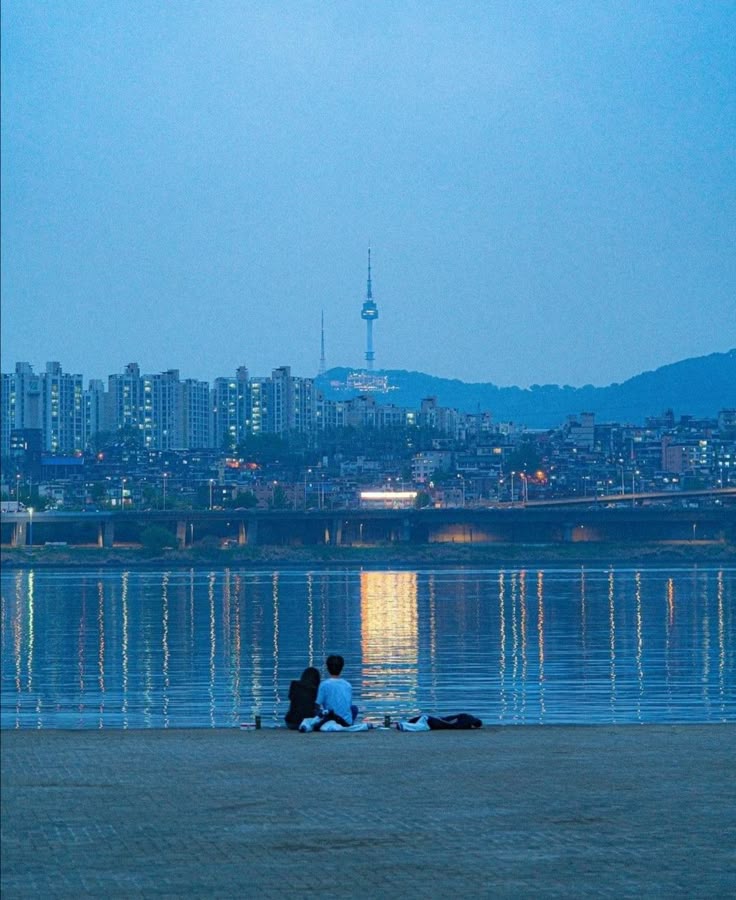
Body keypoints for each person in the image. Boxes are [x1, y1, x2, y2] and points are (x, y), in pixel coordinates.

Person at [315, 654, 358, 727]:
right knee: (354, 708)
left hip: (331, 720)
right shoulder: (348, 685)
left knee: (317, 711)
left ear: (327, 668)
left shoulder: (324, 685)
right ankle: (350, 723)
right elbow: (348, 706)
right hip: (346, 722)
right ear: (342, 668)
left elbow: (317, 705)